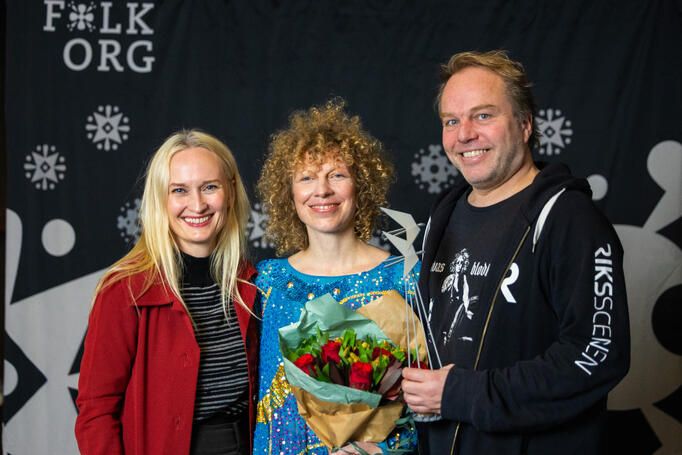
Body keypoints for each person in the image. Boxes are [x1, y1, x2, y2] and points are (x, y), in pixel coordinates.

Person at [401, 50, 630, 454]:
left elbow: (595, 356)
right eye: (451, 121)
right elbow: (432, 352)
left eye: (483, 115)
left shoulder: (567, 218)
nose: (464, 134)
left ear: (525, 125)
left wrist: (462, 393)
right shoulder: (443, 216)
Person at [75, 130, 259, 455]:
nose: (198, 204)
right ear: (161, 199)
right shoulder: (125, 290)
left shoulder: (253, 283)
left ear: (230, 191)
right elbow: (96, 412)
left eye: (210, 187)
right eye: (180, 190)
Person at [253, 99, 418, 455]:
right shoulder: (267, 283)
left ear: (362, 185)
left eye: (337, 175)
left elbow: (429, 398)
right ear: (289, 193)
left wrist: (380, 450)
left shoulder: (404, 278)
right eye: (307, 177)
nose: (322, 190)